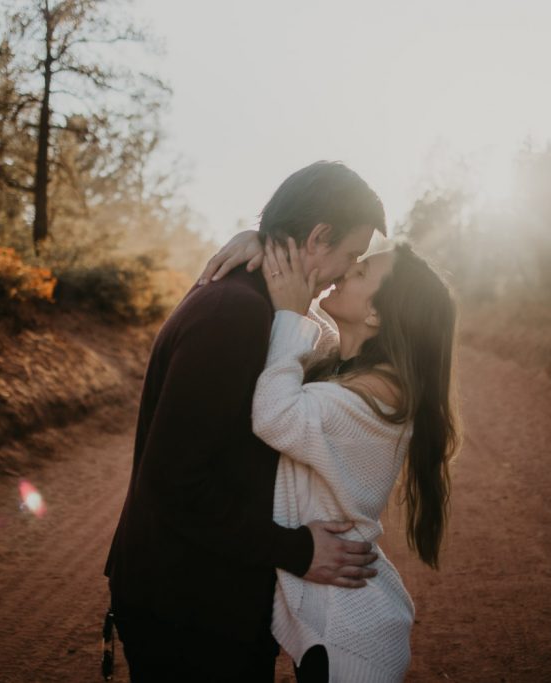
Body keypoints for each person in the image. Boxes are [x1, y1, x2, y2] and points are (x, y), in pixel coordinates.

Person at [102, 161, 387, 682]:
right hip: (187, 610)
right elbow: (172, 484)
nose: (345, 274)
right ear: (318, 236)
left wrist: (260, 240)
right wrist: (298, 551)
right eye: (348, 256)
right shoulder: (233, 316)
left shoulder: (257, 304)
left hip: (204, 593)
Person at [203, 233, 459, 682]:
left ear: (376, 313)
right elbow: (307, 350)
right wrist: (262, 243)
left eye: (360, 271)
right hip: (341, 621)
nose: (345, 270)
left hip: (351, 638)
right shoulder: (355, 376)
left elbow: (276, 414)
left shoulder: (376, 402)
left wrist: (288, 312)